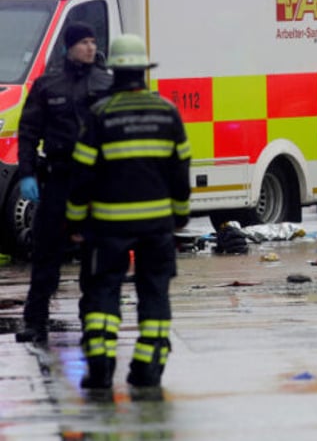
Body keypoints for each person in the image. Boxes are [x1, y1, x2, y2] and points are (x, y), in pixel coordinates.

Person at [66, 34, 190, 390]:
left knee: (102, 291)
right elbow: (180, 170)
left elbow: (82, 175)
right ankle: (148, 366)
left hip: (108, 227)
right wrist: (179, 215)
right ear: (143, 72)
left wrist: (75, 221)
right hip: (156, 226)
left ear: (115, 73)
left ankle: (101, 365)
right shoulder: (168, 113)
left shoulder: (99, 115)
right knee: (154, 292)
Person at [15, 22, 112, 345]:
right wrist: (27, 172)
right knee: (46, 254)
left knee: (94, 256)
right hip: (60, 177)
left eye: (92, 41)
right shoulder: (48, 84)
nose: (89, 47)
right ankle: (35, 322)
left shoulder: (105, 83)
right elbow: (28, 132)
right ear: (69, 46)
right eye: (83, 42)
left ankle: (92, 321)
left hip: (96, 182)